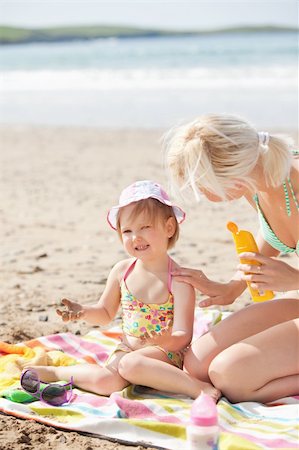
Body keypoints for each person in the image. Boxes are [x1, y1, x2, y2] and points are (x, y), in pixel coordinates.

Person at [29, 180, 220, 400]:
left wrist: (163, 340)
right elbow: (105, 313)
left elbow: (183, 336)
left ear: (169, 227)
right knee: (107, 382)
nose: (135, 237)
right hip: (127, 349)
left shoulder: (179, 280)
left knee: (131, 365)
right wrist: (83, 311)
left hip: (164, 353)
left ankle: (196, 387)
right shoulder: (122, 271)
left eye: (145, 227)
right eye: (127, 230)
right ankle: (56, 372)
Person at [164, 113, 299, 403]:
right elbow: (278, 231)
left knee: (231, 376)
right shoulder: (256, 185)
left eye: (201, 185)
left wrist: (294, 279)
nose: (199, 193)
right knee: (197, 365)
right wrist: (234, 286)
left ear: (232, 176)